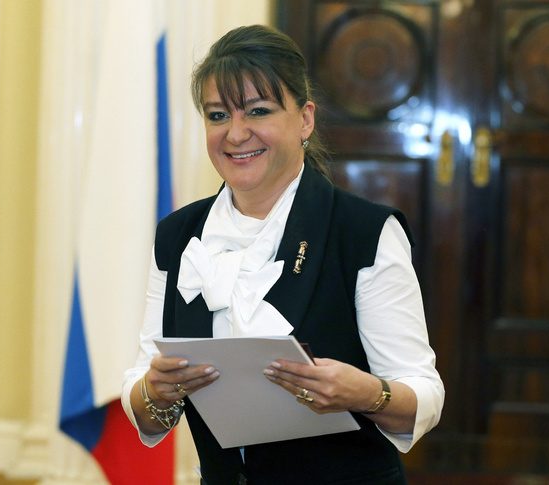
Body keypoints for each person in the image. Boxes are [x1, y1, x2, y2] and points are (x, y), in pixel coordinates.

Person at [122, 24, 444, 484]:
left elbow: (424, 395)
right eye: (217, 115)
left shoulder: (363, 231)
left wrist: (367, 394)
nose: (235, 134)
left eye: (258, 111)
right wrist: (154, 392)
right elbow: (147, 407)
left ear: (305, 119)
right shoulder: (177, 235)